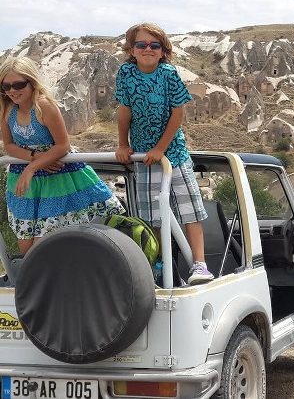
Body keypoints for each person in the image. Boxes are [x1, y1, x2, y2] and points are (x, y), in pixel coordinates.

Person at [114, 22, 213, 285]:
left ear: (162, 50)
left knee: (189, 208)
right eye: (141, 44)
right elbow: (124, 110)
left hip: (174, 154)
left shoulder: (168, 74)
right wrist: (123, 144)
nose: (148, 49)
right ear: (131, 49)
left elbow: (178, 113)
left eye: (154, 45)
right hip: (144, 156)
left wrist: (161, 149)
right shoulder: (126, 73)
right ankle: (159, 264)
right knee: (153, 215)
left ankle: (200, 264)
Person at [0, 56, 124, 254]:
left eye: (18, 84)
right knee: (25, 244)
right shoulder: (7, 110)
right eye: (6, 87)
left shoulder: (44, 107)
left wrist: (33, 167)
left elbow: (63, 145)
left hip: (54, 179)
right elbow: (9, 146)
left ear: (32, 83)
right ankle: (37, 282)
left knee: (45, 242)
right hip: (24, 179)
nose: (12, 91)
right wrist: (37, 159)